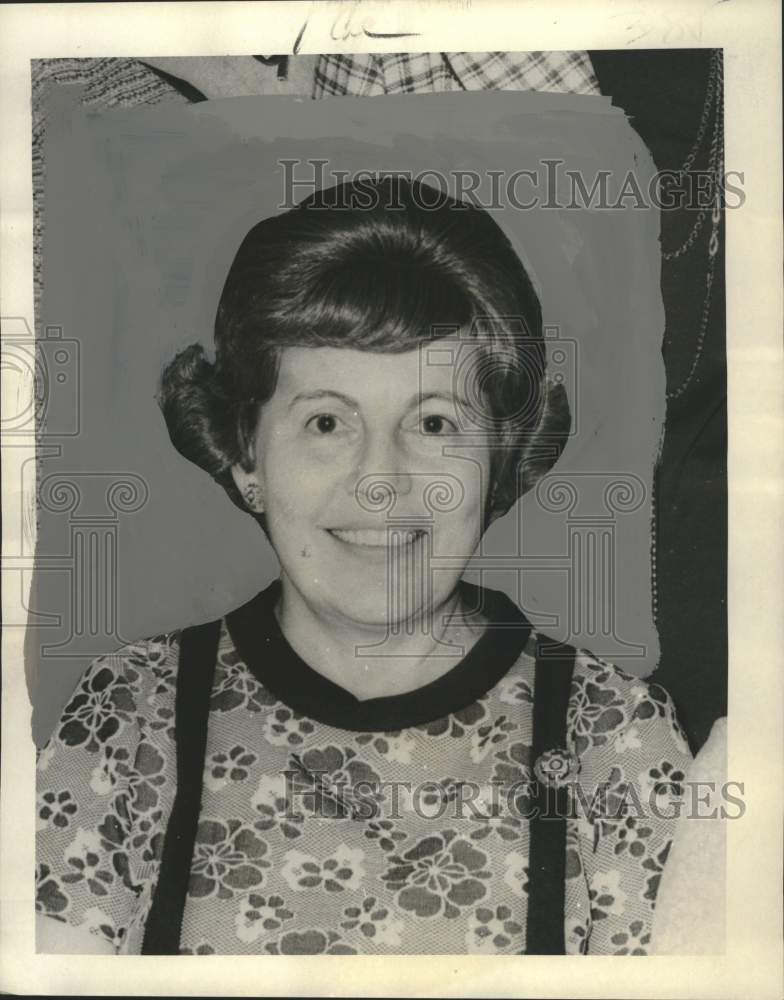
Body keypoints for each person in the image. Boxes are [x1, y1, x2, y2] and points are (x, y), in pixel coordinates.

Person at [36, 178, 692, 955]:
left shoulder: (611, 742)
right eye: (325, 422)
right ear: (247, 455)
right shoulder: (130, 720)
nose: (381, 478)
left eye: (435, 422)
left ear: (499, 459)